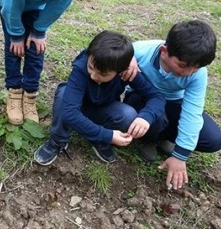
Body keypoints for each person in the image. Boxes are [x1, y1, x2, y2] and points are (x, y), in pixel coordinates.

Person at [33, 31, 165, 165]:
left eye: (103, 74)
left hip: (102, 108)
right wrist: (108, 135)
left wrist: (146, 117)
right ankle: (58, 140)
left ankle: (97, 137)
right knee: (63, 94)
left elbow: (156, 97)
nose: (94, 76)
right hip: (75, 105)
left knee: (129, 114)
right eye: (91, 67)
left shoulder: (127, 72)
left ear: (120, 71)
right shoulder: (81, 68)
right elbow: (69, 113)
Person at [123, 20, 221, 190]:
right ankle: (146, 139)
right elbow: (109, 51)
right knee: (154, 118)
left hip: (173, 103)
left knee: (213, 140)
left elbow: (192, 112)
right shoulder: (140, 51)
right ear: (164, 52)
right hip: (141, 100)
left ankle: (164, 137)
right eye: (183, 66)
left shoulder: (197, 74)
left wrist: (181, 155)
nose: (188, 73)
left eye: (195, 68)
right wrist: (127, 58)